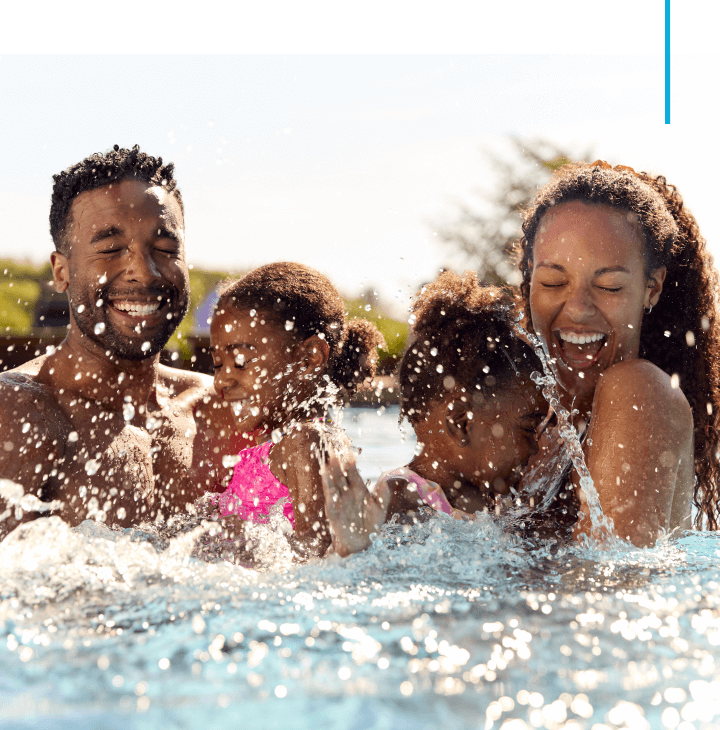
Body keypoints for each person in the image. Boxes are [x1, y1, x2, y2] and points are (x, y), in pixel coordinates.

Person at [0, 145, 245, 538]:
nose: (143, 271)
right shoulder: (13, 413)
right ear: (62, 271)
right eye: (111, 249)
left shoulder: (217, 408)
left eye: (166, 249)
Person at [517, 160, 720, 546]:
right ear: (529, 277)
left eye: (609, 286)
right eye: (553, 281)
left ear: (652, 288)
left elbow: (607, 585)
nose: (577, 309)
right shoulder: (532, 414)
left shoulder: (639, 391)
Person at [322, 270, 548, 556]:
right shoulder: (399, 498)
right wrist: (353, 550)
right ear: (461, 423)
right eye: (528, 429)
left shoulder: (494, 499)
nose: (536, 447)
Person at [196, 262, 384, 557]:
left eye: (241, 362)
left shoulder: (303, 442)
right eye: (218, 365)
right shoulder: (286, 442)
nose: (222, 380)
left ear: (309, 357)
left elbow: (313, 552)